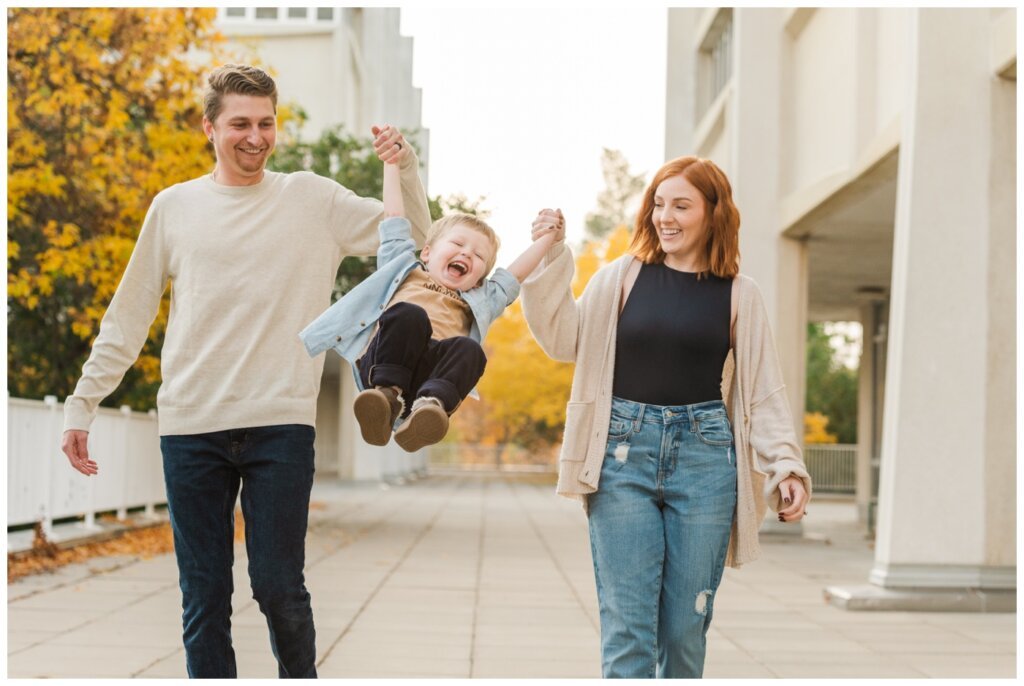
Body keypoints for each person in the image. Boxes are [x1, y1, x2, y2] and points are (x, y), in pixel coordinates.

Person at [59, 64, 431, 678]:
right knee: (204, 600)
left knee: (278, 588)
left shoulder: (314, 199)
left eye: (265, 123)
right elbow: (127, 316)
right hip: (190, 427)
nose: (254, 136)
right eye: (239, 124)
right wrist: (82, 405)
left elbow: (411, 236)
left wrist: (405, 168)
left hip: (280, 426)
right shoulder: (174, 208)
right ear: (210, 128)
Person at [520, 157, 812, 678]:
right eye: (658, 204)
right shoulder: (621, 278)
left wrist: (786, 465)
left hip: (705, 463)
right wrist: (551, 257)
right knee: (627, 629)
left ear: (712, 213)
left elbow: (764, 391)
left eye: (681, 205)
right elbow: (564, 339)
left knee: (684, 630)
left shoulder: (740, 294)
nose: (665, 217)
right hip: (620, 457)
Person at [299, 152, 561, 452]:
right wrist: (391, 163)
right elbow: (395, 220)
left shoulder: (481, 298)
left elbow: (514, 275)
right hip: (385, 362)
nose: (466, 254)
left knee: (470, 349)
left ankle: (428, 410)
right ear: (427, 253)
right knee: (410, 315)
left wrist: (547, 239)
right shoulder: (401, 267)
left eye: (478, 256)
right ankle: (384, 399)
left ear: (478, 280)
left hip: (429, 377)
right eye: (458, 244)